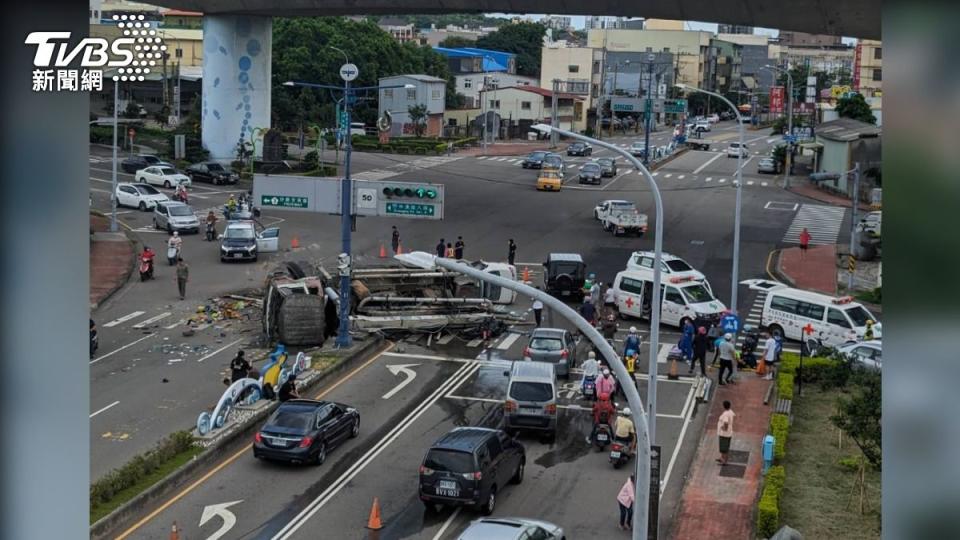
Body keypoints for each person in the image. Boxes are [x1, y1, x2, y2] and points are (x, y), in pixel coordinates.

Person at [717, 400, 735, 465]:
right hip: (728, 433)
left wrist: (724, 428)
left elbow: (726, 422)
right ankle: (722, 458)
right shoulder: (730, 412)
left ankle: (724, 461)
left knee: (724, 447)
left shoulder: (726, 414)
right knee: (725, 446)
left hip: (724, 434)